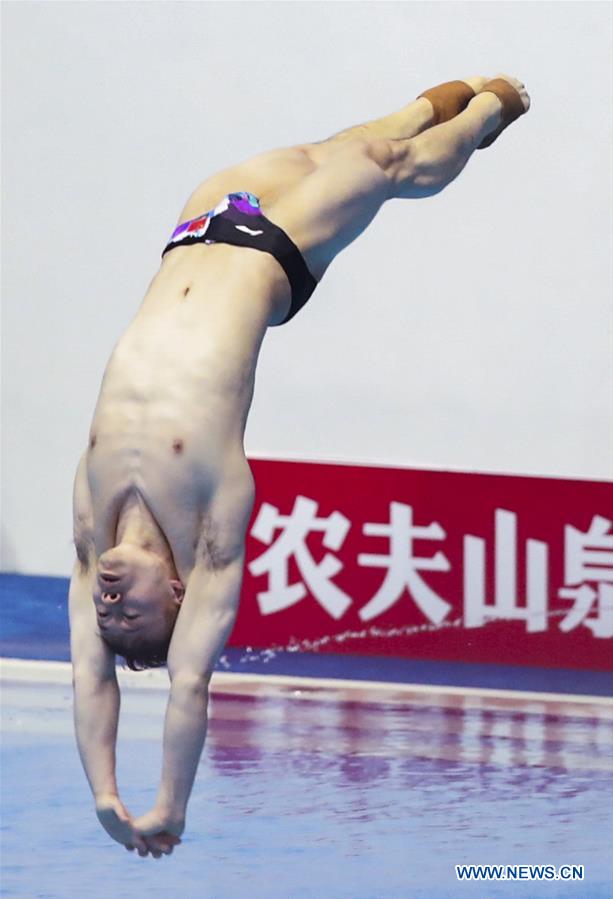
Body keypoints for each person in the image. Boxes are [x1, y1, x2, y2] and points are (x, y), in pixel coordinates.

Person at [68, 74, 530, 857]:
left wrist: (103, 792)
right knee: (387, 166)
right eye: (130, 615)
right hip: (274, 256)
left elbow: (90, 677)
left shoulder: (90, 519)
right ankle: (490, 112)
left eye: (104, 615)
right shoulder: (212, 528)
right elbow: (188, 685)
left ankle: (427, 101)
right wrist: (160, 808)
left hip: (198, 227)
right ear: (177, 595)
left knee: (332, 148)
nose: (108, 604)